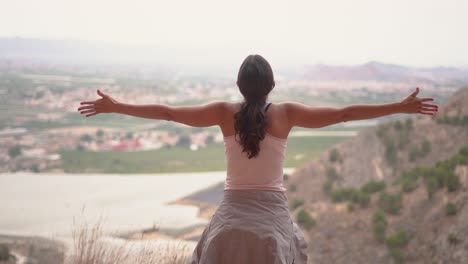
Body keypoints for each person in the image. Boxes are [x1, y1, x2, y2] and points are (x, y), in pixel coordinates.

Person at [78, 54, 438, 263]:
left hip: (232, 209)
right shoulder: (287, 113)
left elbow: (169, 113)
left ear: (239, 86)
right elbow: (344, 113)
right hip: (271, 212)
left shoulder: (222, 112)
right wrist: (399, 107)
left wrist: (116, 106)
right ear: (271, 85)